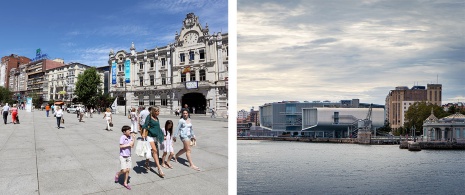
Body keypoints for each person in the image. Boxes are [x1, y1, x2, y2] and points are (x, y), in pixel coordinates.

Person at [141, 107, 165, 177]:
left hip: (155, 137)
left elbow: (158, 128)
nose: (158, 112)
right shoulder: (149, 117)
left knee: (150, 151)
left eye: (158, 111)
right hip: (150, 136)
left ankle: (146, 163)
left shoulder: (157, 118)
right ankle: (159, 169)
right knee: (154, 151)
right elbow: (145, 125)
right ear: (154, 111)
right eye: (157, 111)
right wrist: (143, 133)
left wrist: (162, 135)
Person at [114, 125, 135, 190]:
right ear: (124, 132)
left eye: (130, 130)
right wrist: (128, 144)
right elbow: (121, 146)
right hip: (123, 156)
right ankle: (118, 174)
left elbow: (132, 146)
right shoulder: (122, 137)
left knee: (128, 170)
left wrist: (133, 138)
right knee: (124, 170)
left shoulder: (130, 137)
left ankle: (125, 183)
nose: (130, 131)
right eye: (129, 130)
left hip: (128, 156)